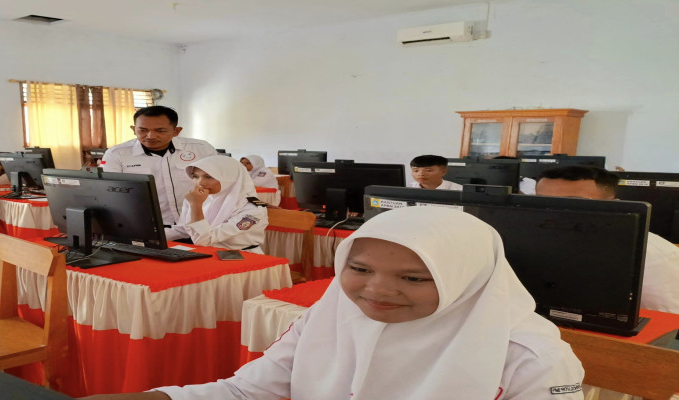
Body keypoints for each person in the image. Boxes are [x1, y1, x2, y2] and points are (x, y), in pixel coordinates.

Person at [81, 207, 585, 400]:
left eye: (413, 278)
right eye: (359, 269)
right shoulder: (328, 315)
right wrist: (156, 399)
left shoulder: (531, 359)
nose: (376, 291)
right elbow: (245, 391)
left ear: (467, 280)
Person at [535, 166, 679, 313]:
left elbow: (670, 319)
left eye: (573, 203)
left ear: (614, 205)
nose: (552, 212)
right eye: (541, 202)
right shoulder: (531, 241)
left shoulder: (652, 255)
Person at [100, 106, 217, 238]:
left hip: (199, 223)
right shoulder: (117, 154)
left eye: (160, 130)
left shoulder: (201, 149)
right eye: (142, 130)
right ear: (133, 129)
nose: (150, 136)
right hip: (148, 227)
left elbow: (221, 184)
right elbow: (109, 192)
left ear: (176, 131)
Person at [169, 156, 268, 253]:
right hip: (207, 253)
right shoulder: (201, 198)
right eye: (195, 176)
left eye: (209, 177)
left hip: (241, 256)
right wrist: (158, 237)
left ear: (229, 178)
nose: (200, 182)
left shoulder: (252, 209)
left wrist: (196, 205)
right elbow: (183, 230)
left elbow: (204, 240)